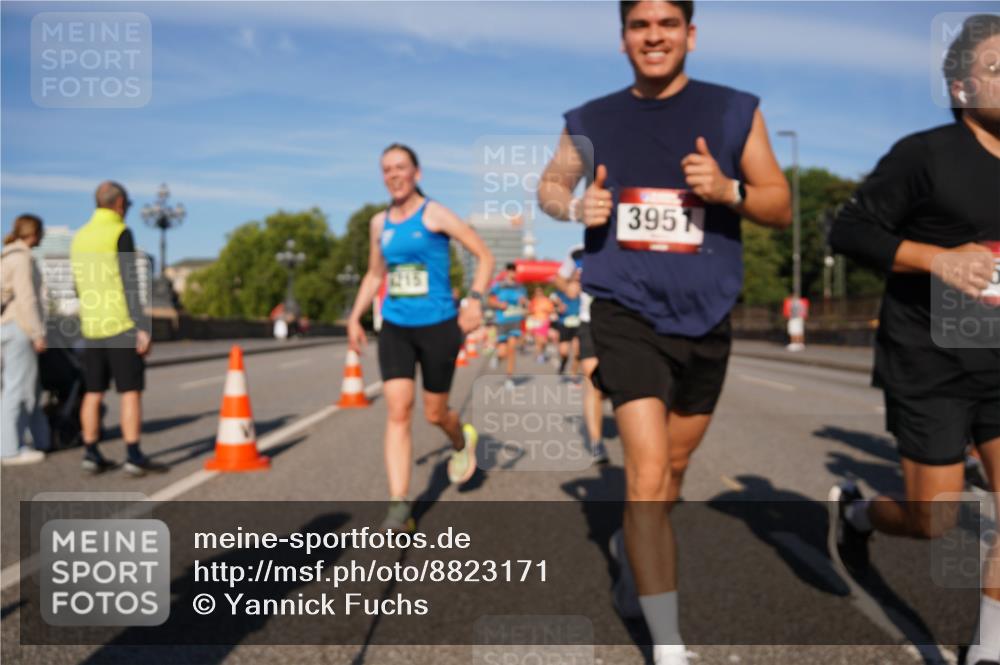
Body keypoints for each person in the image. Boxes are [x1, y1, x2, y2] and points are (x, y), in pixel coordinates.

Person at [538, 2, 792, 662]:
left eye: (667, 24)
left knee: (673, 471)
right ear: (623, 38)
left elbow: (781, 204)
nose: (654, 36)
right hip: (625, 310)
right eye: (640, 25)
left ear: (690, 34)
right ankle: (670, 646)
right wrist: (574, 205)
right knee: (647, 475)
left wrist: (730, 189)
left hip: (706, 316)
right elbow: (550, 185)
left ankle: (630, 550)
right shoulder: (590, 119)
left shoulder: (736, 109)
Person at [827, 15, 1000, 665]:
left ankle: (987, 647)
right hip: (929, 357)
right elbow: (849, 231)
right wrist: (936, 258)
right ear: (961, 87)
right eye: (997, 66)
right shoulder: (924, 155)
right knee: (935, 519)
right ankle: (859, 516)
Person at [346, 144, 494, 532]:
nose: (393, 175)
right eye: (386, 169)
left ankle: (460, 439)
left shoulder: (436, 214)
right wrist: (355, 316)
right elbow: (375, 274)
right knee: (398, 409)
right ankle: (399, 502)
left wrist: (475, 302)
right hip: (395, 325)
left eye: (401, 167)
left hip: (439, 326)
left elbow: (485, 256)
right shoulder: (380, 223)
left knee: (434, 414)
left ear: (417, 173)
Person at [70, 181, 166, 476]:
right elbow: (129, 282)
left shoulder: (80, 237)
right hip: (120, 324)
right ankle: (133, 455)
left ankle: (90, 452)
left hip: (91, 325)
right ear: (120, 203)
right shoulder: (119, 232)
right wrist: (142, 327)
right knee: (130, 392)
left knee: (93, 392)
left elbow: (77, 284)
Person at [1, 214, 51, 465]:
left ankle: (37, 438)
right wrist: (37, 333)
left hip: (6, 327)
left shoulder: (6, 255)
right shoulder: (22, 259)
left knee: (23, 387)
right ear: (34, 232)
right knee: (18, 389)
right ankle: (9, 449)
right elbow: (27, 299)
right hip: (19, 327)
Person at [553, 244, 609, 465]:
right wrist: (568, 284)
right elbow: (558, 278)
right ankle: (597, 442)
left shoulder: (629, 239)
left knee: (613, 383)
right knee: (590, 375)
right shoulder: (577, 251)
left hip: (625, 323)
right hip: (589, 320)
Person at [488, 264, 529, 391]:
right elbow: (490, 300)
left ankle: (509, 378)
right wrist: (499, 304)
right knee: (503, 352)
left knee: (512, 349)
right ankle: (497, 357)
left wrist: (524, 302)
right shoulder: (498, 286)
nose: (512, 274)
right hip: (502, 321)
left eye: (514, 271)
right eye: (510, 271)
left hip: (515, 320)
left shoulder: (520, 288)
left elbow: (525, 302)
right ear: (506, 272)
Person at [552, 276, 582, 377]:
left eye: (576, 288)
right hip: (564, 325)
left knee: (577, 351)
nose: (574, 290)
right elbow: (552, 298)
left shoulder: (582, 296)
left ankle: (573, 373)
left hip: (578, 325)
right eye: (572, 288)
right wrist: (558, 305)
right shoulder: (561, 294)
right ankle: (563, 363)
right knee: (564, 352)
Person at [527, 285, 555, 363]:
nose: (538, 293)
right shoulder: (533, 301)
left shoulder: (546, 301)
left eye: (540, 291)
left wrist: (546, 310)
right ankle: (539, 356)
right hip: (536, 322)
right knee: (538, 340)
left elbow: (551, 310)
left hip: (545, 322)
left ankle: (541, 352)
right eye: (537, 292)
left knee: (543, 341)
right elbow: (529, 311)